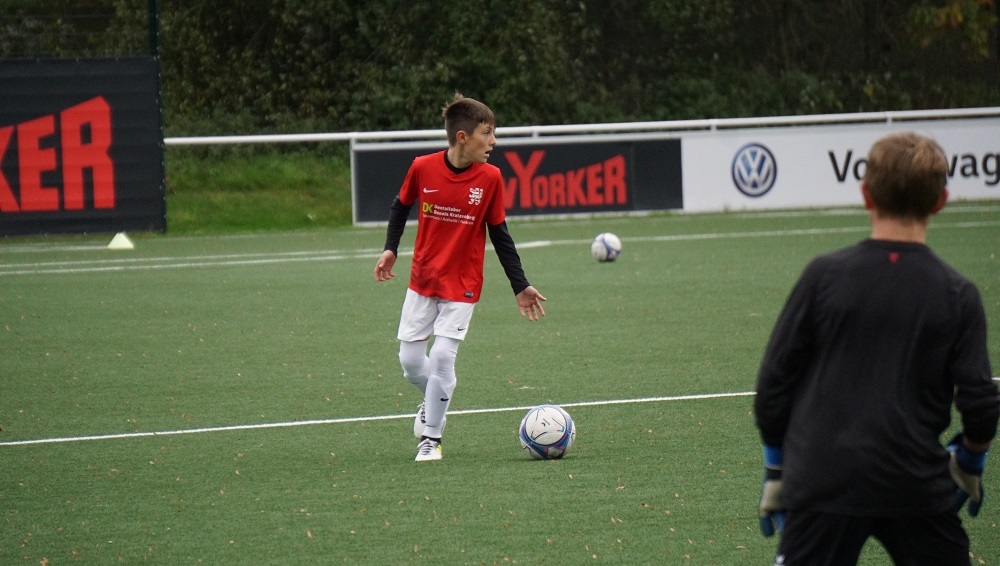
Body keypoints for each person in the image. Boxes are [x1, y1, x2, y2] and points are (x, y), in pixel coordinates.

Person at [754, 131, 999, 565]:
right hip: (915, 483)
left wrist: (777, 468)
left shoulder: (823, 276)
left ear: (866, 194)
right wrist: (970, 462)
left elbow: (774, 386)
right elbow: (980, 404)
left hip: (824, 482)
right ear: (941, 202)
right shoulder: (957, 294)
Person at [374, 93, 547, 462]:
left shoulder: (491, 178)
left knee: (441, 357)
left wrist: (520, 285)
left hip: (463, 285)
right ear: (463, 137)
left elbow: (500, 234)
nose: (494, 141)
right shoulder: (422, 167)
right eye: (487, 133)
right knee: (410, 363)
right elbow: (400, 205)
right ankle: (434, 400)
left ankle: (431, 438)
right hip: (423, 280)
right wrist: (391, 248)